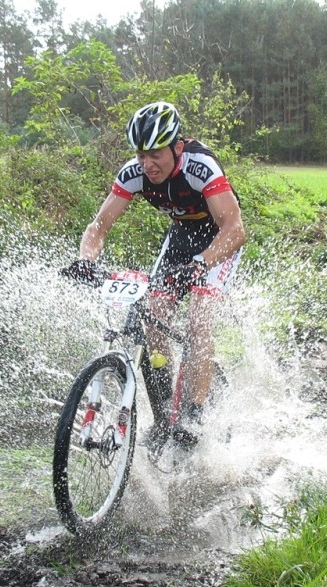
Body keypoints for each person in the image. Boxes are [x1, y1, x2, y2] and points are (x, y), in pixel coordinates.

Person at [64, 101, 246, 451]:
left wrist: (201, 265)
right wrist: (86, 259)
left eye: (156, 155)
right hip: (181, 238)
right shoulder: (133, 173)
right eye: (141, 154)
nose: (147, 164)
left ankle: (193, 413)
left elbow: (235, 229)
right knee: (153, 316)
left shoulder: (200, 166)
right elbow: (99, 225)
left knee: (198, 319)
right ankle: (165, 416)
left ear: (177, 147)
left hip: (219, 240)